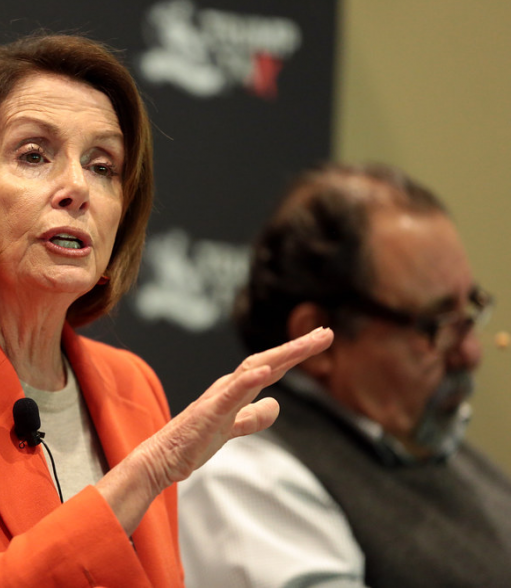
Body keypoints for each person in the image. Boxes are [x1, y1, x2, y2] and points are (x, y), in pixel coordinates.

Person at [0, 34, 332, 588]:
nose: (76, 188)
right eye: (34, 155)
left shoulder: (131, 386)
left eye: (102, 166)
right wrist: (148, 473)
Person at [179, 162, 511, 588]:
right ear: (318, 339)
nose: (470, 352)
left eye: (470, 311)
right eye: (436, 327)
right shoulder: (247, 484)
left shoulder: (443, 452)